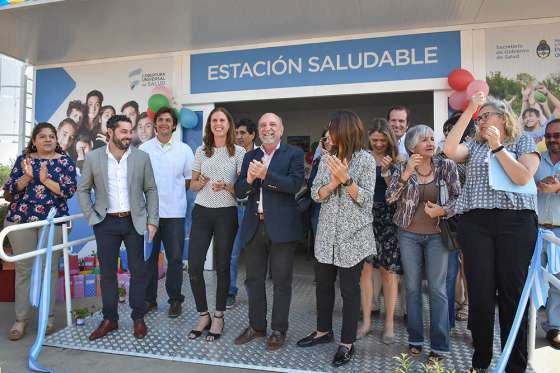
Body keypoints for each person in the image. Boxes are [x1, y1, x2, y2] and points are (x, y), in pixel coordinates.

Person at [443, 93, 540, 373]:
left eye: (486, 116)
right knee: (481, 294)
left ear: (504, 117)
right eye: (479, 117)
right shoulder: (473, 146)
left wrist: (498, 146)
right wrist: (471, 107)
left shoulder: (522, 141)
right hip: (476, 223)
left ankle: (515, 365)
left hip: (516, 223)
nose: (481, 121)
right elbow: (450, 149)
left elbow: (522, 176)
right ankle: (481, 359)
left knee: (512, 293)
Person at [296, 111, 375, 367]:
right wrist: (331, 184)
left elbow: (366, 199)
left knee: (350, 290)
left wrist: (347, 180)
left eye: (332, 129)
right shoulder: (327, 158)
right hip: (326, 233)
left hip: (352, 236)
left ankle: (347, 342)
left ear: (346, 130)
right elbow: (317, 195)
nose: (328, 134)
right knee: (323, 285)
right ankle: (323, 331)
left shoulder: (365, 160)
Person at [77, 114, 159, 341]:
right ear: (110, 132)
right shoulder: (93, 158)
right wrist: (91, 216)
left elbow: (150, 189)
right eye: (123, 131)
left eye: (130, 131)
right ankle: (110, 319)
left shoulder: (141, 157)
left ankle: (138, 318)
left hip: (135, 221)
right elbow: (82, 189)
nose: (128, 135)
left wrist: (152, 221)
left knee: (139, 272)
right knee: (107, 274)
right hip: (105, 222)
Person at [386, 124, 460, 365]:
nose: (430, 143)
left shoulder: (446, 165)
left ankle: (439, 346)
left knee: (438, 290)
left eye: (432, 138)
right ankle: (415, 340)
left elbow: (459, 197)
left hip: (438, 234)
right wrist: (406, 173)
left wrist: (443, 209)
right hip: (408, 234)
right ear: (411, 146)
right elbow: (390, 198)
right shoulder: (401, 168)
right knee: (412, 288)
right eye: (424, 140)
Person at [234, 112, 304, 352]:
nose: (267, 128)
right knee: (253, 281)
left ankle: (278, 329)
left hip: (282, 228)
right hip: (254, 226)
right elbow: (241, 191)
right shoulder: (250, 156)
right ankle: (257, 326)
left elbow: (295, 185)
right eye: (263, 125)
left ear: (281, 129)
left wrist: (266, 176)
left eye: (272, 124)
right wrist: (251, 180)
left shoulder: (293, 154)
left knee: (281, 282)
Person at [4, 122, 77, 340]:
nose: (47, 139)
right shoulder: (23, 160)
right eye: (42, 136)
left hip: (52, 222)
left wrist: (45, 180)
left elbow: (68, 190)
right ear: (34, 141)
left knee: (49, 269)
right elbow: (8, 192)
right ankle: (20, 320)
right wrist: (26, 178)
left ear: (57, 140)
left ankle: (49, 317)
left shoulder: (65, 161)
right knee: (24, 269)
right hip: (21, 221)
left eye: (51, 136)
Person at [187, 107, 245, 342]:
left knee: (222, 266)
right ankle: (204, 315)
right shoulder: (201, 151)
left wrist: (228, 186)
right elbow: (192, 185)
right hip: (202, 212)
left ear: (228, 124)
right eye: (214, 120)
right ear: (209, 125)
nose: (218, 123)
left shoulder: (239, 152)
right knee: (193, 266)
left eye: (222, 120)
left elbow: (242, 188)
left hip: (226, 213)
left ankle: (218, 316)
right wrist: (199, 182)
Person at [140, 107, 194, 318]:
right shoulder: (144, 149)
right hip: (149, 215)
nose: (163, 123)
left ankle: (174, 301)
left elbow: (188, 181)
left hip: (175, 215)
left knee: (175, 259)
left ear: (174, 125)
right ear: (155, 124)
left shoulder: (184, 150)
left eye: (168, 120)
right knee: (149, 260)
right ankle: (149, 300)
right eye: (160, 120)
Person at [358, 118, 402, 343]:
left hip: (388, 218)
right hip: (365, 217)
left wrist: (386, 173)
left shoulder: (397, 160)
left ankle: (389, 325)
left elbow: (397, 195)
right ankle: (365, 321)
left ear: (389, 139)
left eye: (382, 140)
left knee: (388, 271)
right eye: (374, 140)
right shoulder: (362, 157)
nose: (377, 144)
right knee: (365, 271)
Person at [534, 118, 560, 350]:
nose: (552, 139)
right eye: (549, 135)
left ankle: (554, 328)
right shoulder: (536, 160)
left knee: (558, 281)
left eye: (557, 135)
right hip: (535, 229)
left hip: (559, 232)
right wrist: (538, 185)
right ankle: (524, 323)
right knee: (529, 279)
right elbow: (522, 185)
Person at [227, 117, 257, 309]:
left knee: (255, 254)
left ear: (253, 135)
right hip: (234, 208)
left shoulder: (262, 155)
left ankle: (255, 293)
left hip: (254, 210)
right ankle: (230, 291)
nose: (238, 136)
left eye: (243, 133)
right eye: (236, 133)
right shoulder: (231, 155)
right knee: (232, 253)